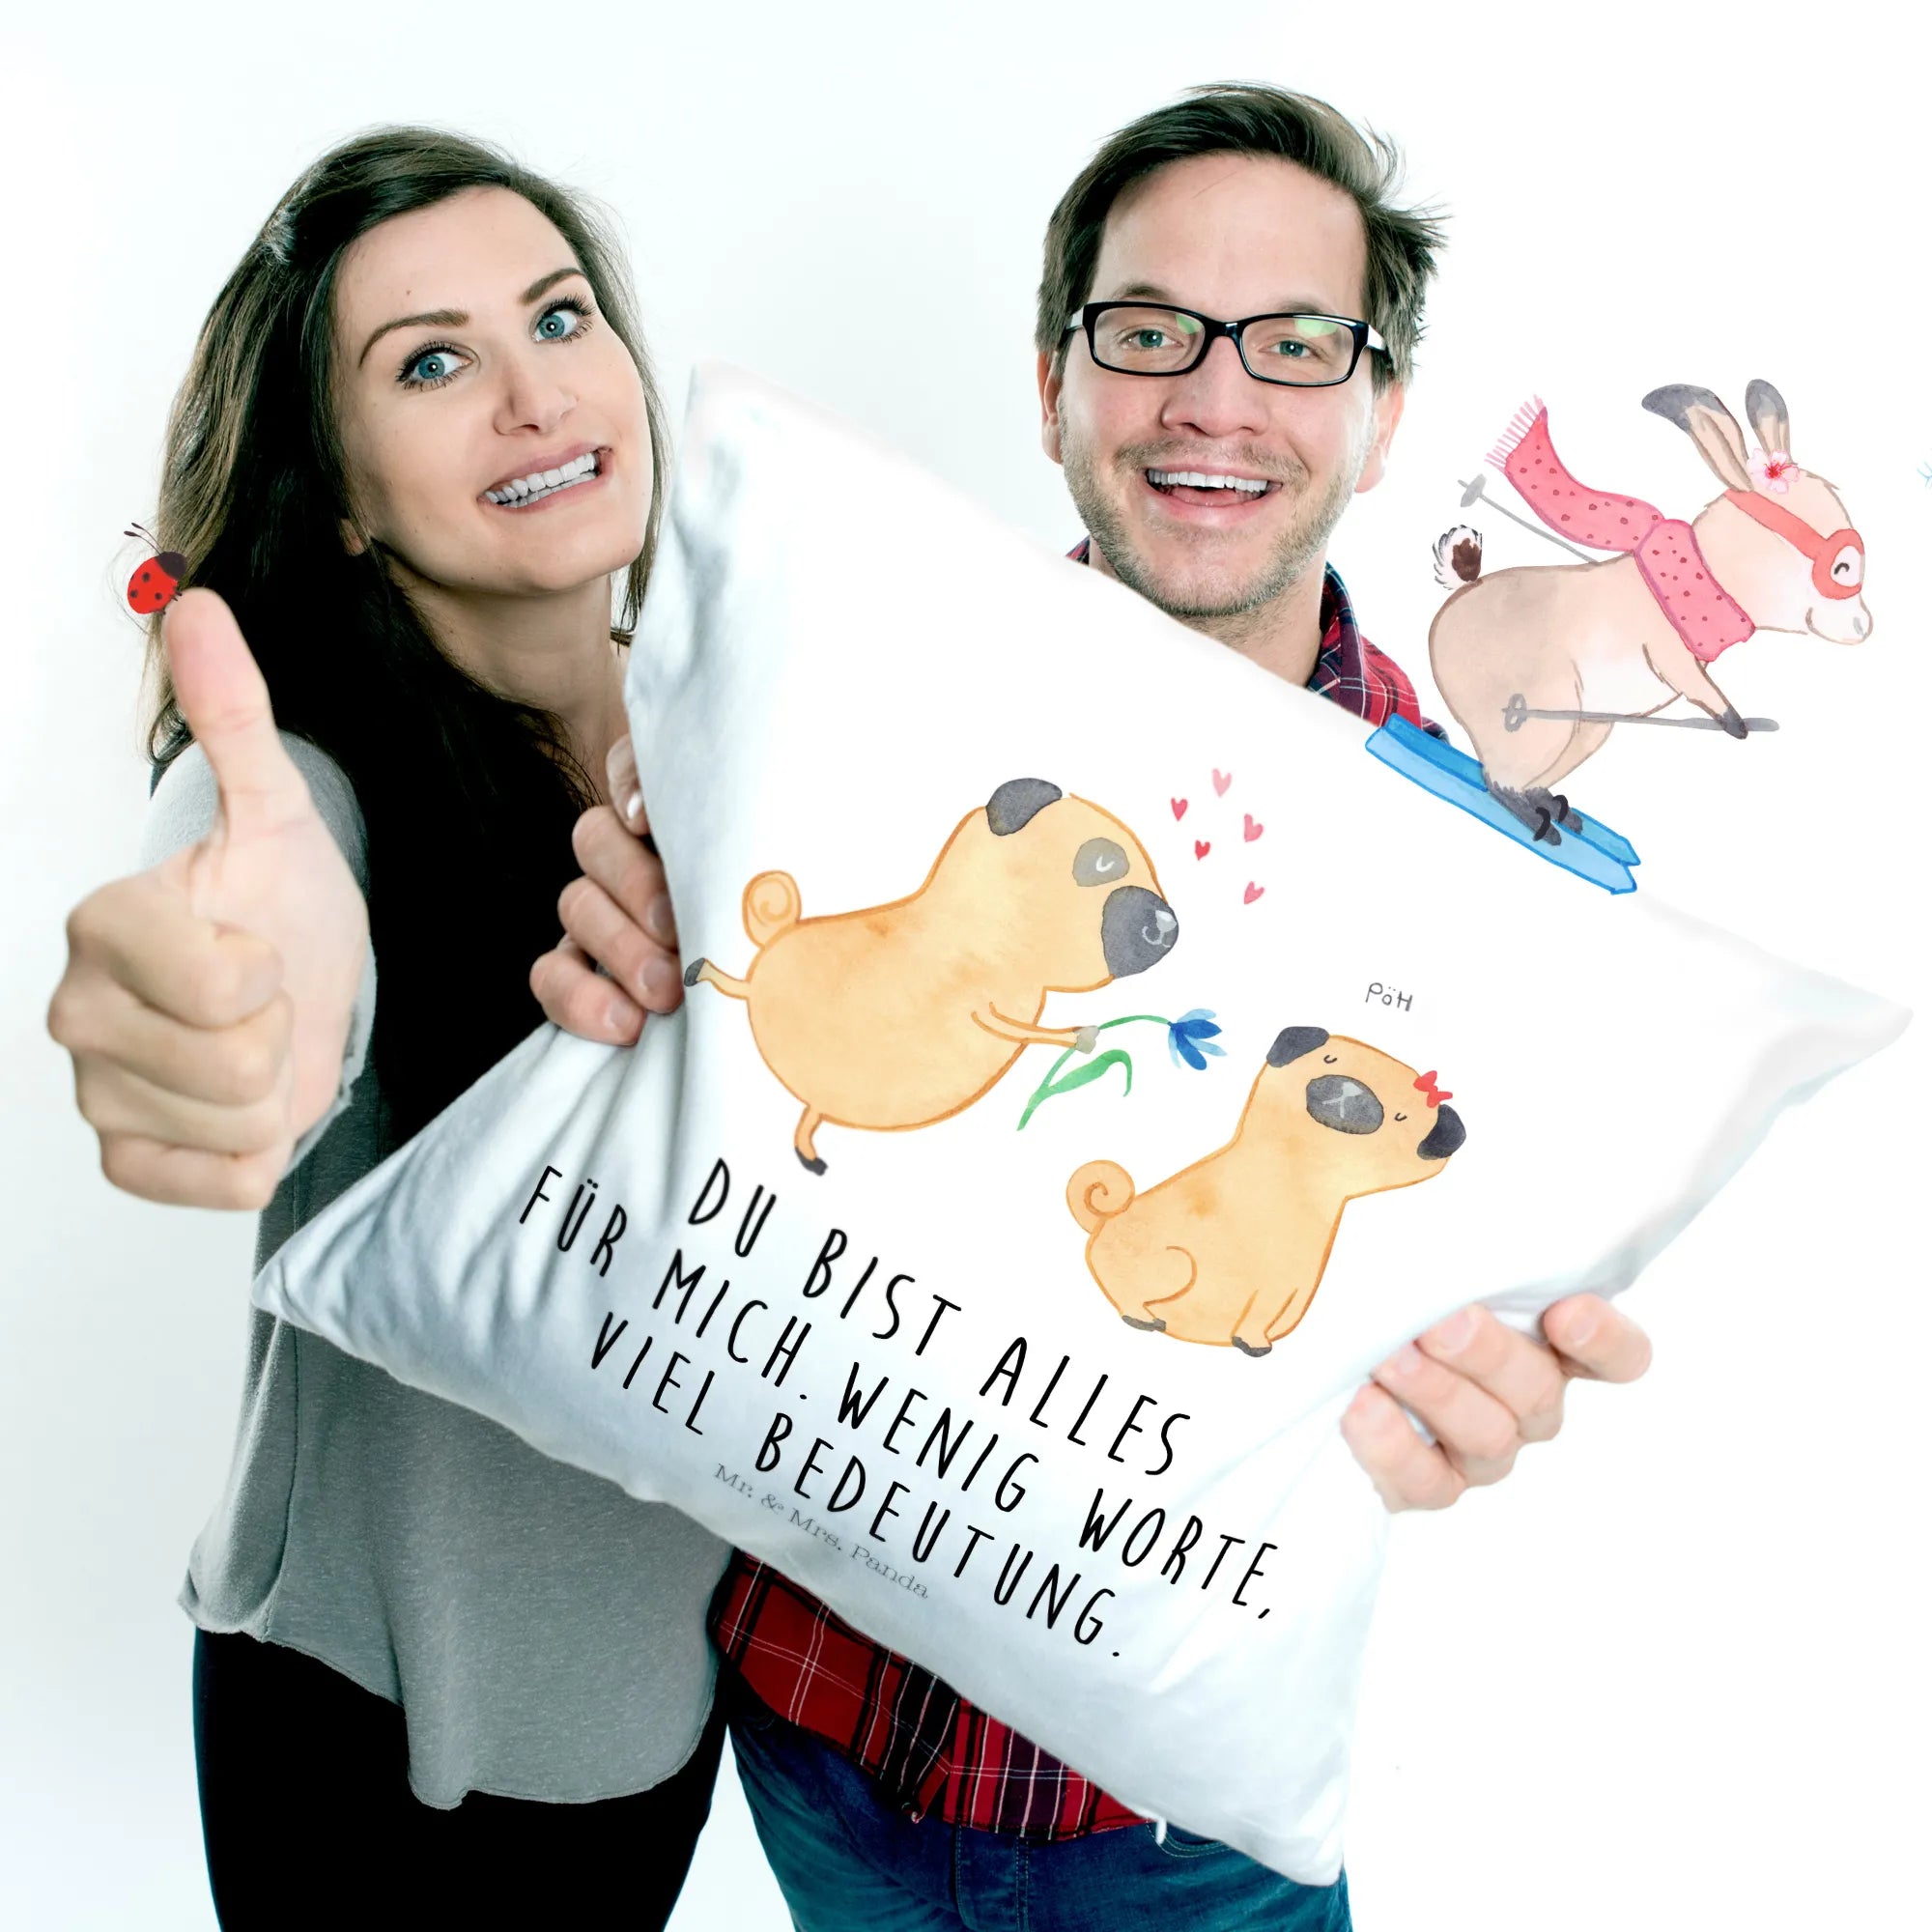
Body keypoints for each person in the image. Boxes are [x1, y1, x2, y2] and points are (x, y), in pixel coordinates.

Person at [535, 84, 1654, 1930]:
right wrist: (626, 977)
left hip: (1182, 1830)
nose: (1216, 398)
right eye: (1150, 333)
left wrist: (1476, 1381)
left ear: (1380, 418)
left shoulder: (1476, 883)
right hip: (808, 1743)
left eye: (1296, 343)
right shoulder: (836, 706)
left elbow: (1438, 1294)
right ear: (1054, 383)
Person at [45, 130, 721, 1928]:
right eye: (430, 363)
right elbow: (250, 897)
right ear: (341, 496)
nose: (532, 395)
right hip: (380, 1743)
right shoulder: (308, 783)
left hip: (662, 1712)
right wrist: (221, 998)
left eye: (558, 318)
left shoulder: (732, 745)